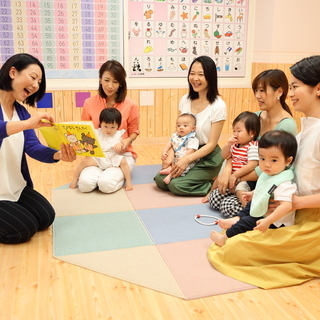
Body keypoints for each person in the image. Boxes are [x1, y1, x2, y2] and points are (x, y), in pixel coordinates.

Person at [207, 55, 320, 289]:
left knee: (234, 249)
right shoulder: (305, 130)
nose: (291, 93)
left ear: (318, 89)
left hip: (309, 217)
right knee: (235, 241)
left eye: (296, 86)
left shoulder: (296, 127)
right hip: (285, 206)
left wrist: (295, 203)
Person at [0, 53, 76, 244]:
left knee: (45, 217)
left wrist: (59, 154)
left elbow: (32, 147)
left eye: (39, 81)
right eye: (33, 77)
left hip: (14, 185)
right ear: (12, 72)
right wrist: (27, 124)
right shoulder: (25, 119)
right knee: (24, 229)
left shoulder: (21, 111)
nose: (35, 85)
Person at [208, 69, 298, 217]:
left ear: (279, 92)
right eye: (256, 90)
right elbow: (235, 147)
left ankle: (253, 213)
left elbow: (275, 166)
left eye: (262, 90)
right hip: (241, 175)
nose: (257, 96)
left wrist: (236, 178)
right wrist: (226, 171)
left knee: (226, 206)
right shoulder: (255, 117)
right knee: (215, 199)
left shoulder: (286, 125)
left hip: (265, 182)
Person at [154, 56, 227, 196]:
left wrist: (186, 160)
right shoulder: (185, 100)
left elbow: (211, 144)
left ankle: (214, 184)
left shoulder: (218, 106)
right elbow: (179, 132)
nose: (195, 78)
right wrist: (171, 154)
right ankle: (196, 179)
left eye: (201, 74)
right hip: (185, 150)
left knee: (176, 185)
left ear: (211, 77)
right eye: (192, 73)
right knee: (160, 180)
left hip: (206, 157)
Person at [210, 130, 297, 246]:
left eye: (274, 160)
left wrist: (268, 221)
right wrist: (253, 193)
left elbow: (286, 206)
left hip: (275, 221)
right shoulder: (270, 174)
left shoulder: (284, 183)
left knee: (247, 222)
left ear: (288, 161)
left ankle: (224, 238)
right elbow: (266, 190)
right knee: (251, 204)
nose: (266, 164)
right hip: (265, 212)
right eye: (262, 158)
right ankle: (237, 218)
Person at [79, 60, 139, 193]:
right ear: (100, 79)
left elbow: (134, 131)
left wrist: (126, 141)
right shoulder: (89, 103)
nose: (110, 86)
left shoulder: (131, 104)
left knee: (106, 185)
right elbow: (84, 131)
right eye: (106, 80)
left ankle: (117, 175)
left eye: (115, 82)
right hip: (98, 156)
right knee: (84, 185)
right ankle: (104, 175)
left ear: (121, 84)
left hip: (121, 156)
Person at [203, 111, 260, 215]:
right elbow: (224, 156)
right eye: (234, 131)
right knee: (214, 199)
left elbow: (252, 165)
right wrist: (228, 145)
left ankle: (247, 210)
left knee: (238, 190)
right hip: (231, 180)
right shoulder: (236, 145)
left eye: (239, 131)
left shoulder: (253, 146)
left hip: (243, 181)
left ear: (251, 133)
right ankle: (219, 195)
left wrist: (235, 175)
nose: (235, 134)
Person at [70, 108, 134, 191]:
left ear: (118, 126)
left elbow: (123, 145)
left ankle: (128, 181)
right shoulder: (97, 132)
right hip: (99, 157)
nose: (108, 130)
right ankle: (75, 178)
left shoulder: (119, 134)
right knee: (85, 160)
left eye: (112, 127)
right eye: (106, 126)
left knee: (123, 161)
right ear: (100, 123)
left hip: (112, 157)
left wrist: (120, 145)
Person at [159, 113, 199, 185]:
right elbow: (170, 143)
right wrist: (164, 151)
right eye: (178, 125)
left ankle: (170, 175)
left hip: (188, 160)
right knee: (172, 162)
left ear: (193, 128)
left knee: (181, 168)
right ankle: (170, 168)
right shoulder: (176, 136)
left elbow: (191, 150)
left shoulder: (192, 139)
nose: (181, 127)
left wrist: (184, 158)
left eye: (185, 126)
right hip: (177, 157)